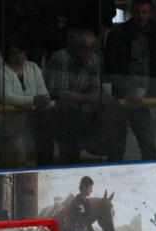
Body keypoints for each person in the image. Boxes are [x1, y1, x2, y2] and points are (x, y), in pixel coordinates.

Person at [103, 0, 156, 161]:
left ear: (150, 13)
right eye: (138, 12)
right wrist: (124, 91)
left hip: (143, 97)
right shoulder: (118, 34)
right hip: (121, 98)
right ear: (132, 12)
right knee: (116, 149)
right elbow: (111, 67)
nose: (141, 16)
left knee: (148, 146)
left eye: (144, 12)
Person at [44, 28, 124, 163]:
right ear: (74, 46)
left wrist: (88, 98)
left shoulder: (94, 60)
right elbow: (60, 94)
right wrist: (86, 97)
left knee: (113, 105)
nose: (87, 52)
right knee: (68, 108)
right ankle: (71, 158)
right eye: (83, 48)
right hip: (54, 109)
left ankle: (113, 158)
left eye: (91, 48)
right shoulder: (62, 57)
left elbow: (96, 91)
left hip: (82, 107)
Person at [0, 37, 53, 167]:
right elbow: (7, 97)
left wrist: (43, 101)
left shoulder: (33, 67)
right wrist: (32, 99)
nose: (18, 56)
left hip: (29, 122)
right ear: (7, 55)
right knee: (11, 162)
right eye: (14, 53)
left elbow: (43, 94)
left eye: (21, 52)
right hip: (4, 126)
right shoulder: (1, 71)